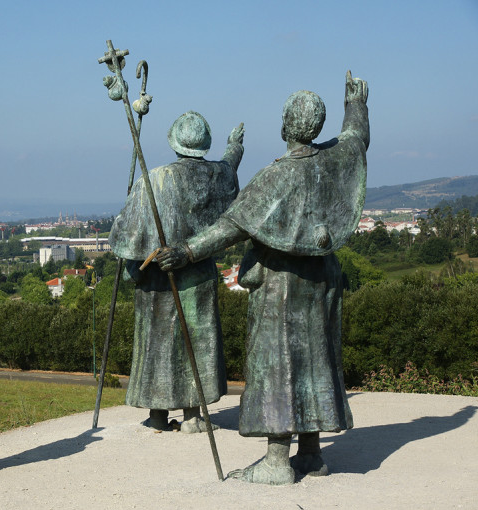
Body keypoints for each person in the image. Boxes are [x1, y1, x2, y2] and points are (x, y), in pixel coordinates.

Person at [157, 72, 369, 484]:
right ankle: (310, 452)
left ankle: (276, 460)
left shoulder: (277, 177)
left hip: (282, 286)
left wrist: (184, 252)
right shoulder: (336, 158)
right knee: (315, 361)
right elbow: (357, 137)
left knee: (280, 365)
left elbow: (229, 226)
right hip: (322, 280)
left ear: (286, 126)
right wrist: (356, 103)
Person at [108, 111, 244, 432]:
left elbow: (125, 238)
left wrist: (133, 265)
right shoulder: (216, 177)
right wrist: (235, 146)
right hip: (197, 275)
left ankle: (157, 415)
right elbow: (229, 168)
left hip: (156, 280)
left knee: (157, 342)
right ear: (204, 145)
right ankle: (193, 414)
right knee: (193, 341)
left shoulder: (153, 180)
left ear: (174, 142)